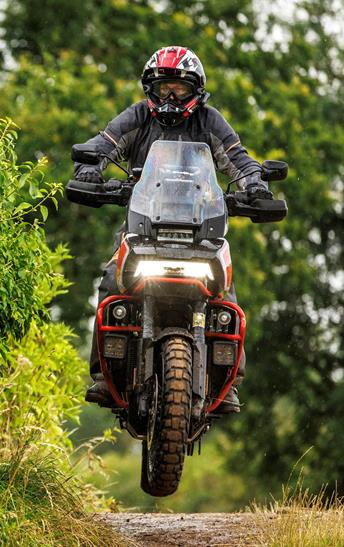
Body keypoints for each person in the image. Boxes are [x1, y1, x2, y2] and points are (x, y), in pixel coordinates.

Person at [75, 46, 272, 413]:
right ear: (150, 88)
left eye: (178, 89)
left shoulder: (210, 121)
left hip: (202, 230)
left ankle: (230, 383)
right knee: (108, 279)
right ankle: (102, 374)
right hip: (143, 226)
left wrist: (255, 183)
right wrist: (91, 166)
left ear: (195, 90)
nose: (169, 96)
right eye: (163, 86)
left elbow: (238, 159)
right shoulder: (136, 116)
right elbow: (105, 143)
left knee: (226, 288)